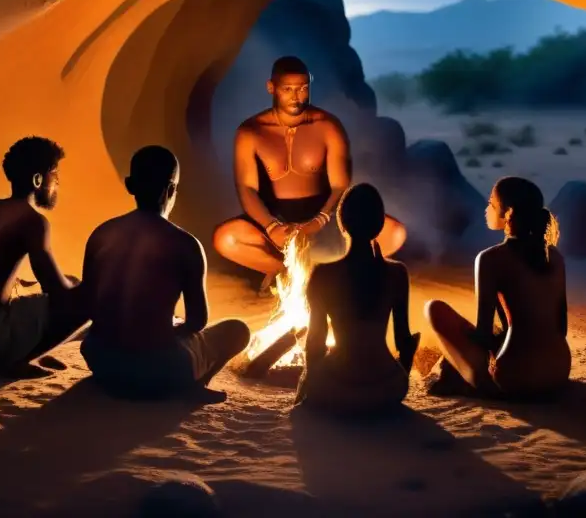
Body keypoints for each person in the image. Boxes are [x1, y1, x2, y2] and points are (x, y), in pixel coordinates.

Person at [213, 56, 407, 293]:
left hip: (325, 218)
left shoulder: (328, 126)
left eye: (303, 89)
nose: (297, 97)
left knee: (394, 232)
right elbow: (247, 188)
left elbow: (340, 185)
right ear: (271, 88)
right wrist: (272, 227)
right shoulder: (250, 132)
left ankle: (340, 273)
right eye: (288, 89)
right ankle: (289, 274)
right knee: (226, 239)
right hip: (275, 220)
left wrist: (319, 221)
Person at [79, 145, 251, 400]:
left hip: (101, 360)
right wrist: (167, 329)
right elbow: (197, 321)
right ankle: (195, 386)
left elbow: (87, 303)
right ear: (172, 190)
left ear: (129, 185)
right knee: (238, 330)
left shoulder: (101, 234)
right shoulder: (185, 244)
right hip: (161, 370)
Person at [0, 137, 89, 376]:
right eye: (55, 174)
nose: (58, 182)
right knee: (88, 296)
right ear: (37, 180)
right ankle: (10, 359)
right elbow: (57, 291)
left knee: (73, 282)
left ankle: (18, 351)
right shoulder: (33, 221)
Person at [424, 176, 570, 399]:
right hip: (559, 372)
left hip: (514, 377)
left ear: (508, 213)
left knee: (434, 309)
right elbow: (561, 327)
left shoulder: (490, 259)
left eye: (492, 204)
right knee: (501, 330)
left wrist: (464, 339)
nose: (487, 209)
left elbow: (482, 334)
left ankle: (462, 380)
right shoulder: (556, 258)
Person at [295, 183, 420, 416]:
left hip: (338, 388)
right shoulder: (397, 273)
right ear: (380, 224)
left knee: (316, 380)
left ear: (342, 224)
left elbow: (315, 343)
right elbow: (403, 341)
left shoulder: (323, 274)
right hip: (387, 388)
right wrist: (401, 375)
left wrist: (308, 387)